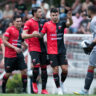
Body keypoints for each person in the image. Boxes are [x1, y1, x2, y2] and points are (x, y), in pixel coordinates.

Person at [32, 8, 73, 95]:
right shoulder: (46, 25)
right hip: (51, 51)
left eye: (56, 15)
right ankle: (59, 89)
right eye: (53, 15)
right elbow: (41, 35)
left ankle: (61, 83)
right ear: (50, 15)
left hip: (62, 51)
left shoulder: (62, 23)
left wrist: (69, 18)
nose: (54, 17)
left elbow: (70, 24)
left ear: (58, 14)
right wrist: (33, 34)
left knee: (65, 69)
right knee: (56, 69)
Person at [22, 7, 48, 94]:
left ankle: (44, 89)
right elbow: (23, 35)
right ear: (34, 13)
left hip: (43, 47)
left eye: (41, 11)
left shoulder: (43, 21)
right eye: (39, 12)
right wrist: (32, 35)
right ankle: (34, 82)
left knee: (44, 69)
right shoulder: (29, 22)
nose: (41, 13)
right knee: (36, 65)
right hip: (33, 47)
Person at [2, 15, 27, 93]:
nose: (19, 23)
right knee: (8, 73)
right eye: (17, 21)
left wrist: (26, 45)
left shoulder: (21, 31)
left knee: (24, 70)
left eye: (20, 21)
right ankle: (3, 89)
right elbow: (4, 42)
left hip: (19, 55)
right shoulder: (9, 29)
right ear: (13, 22)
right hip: (10, 55)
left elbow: (21, 41)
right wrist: (14, 48)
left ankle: (24, 91)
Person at [74, 5, 96, 95]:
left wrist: (91, 45)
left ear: (90, 11)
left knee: (91, 67)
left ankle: (85, 91)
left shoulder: (94, 21)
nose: (86, 12)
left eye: (87, 11)